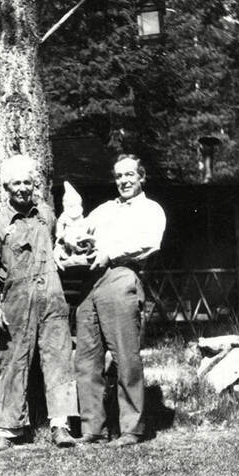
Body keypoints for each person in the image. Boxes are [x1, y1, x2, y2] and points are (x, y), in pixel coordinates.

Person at [0, 153, 78, 453]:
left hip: (51, 298)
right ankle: (6, 430)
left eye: (27, 182)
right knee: (11, 363)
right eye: (16, 183)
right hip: (16, 302)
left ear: (34, 185)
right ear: (7, 188)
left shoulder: (46, 215)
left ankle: (61, 426)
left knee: (59, 359)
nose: (23, 188)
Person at [70, 154, 166, 447]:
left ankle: (131, 428)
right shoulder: (104, 210)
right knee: (87, 356)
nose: (124, 181)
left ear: (141, 177)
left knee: (126, 356)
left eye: (129, 175)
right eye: (119, 176)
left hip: (123, 275)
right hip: (91, 281)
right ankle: (93, 428)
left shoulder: (150, 209)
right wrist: (72, 242)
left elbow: (150, 241)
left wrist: (110, 253)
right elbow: (78, 231)